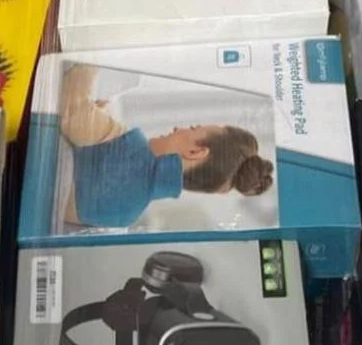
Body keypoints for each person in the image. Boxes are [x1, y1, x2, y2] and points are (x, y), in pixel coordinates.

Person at [60, 63, 274, 227]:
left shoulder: (127, 148)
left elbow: (70, 110)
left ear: (195, 152)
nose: (178, 128)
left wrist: (91, 60)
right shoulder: (128, 215)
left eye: (193, 128)